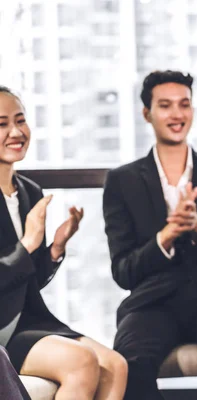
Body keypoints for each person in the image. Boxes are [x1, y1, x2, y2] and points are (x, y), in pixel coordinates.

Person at [103, 70, 197, 400]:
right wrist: (166, 236)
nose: (177, 114)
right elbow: (123, 271)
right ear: (147, 113)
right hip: (150, 303)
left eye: (184, 104)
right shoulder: (122, 181)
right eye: (165, 105)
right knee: (129, 365)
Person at [0, 86, 128, 400]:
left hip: (28, 319)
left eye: (21, 120)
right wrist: (28, 244)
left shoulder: (30, 191)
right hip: (2, 327)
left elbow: (29, 282)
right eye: (2, 124)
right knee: (81, 361)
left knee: (116, 364)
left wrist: (55, 247)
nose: (16, 132)